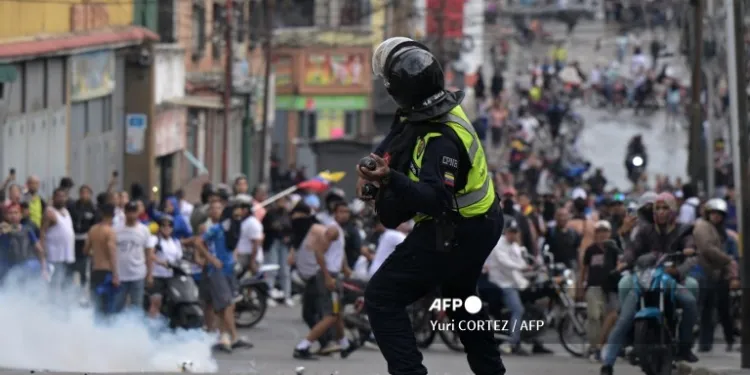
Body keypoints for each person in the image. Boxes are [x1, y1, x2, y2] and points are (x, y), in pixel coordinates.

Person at [359, 37, 506, 375]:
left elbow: (435, 199)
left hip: (459, 229)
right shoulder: (426, 109)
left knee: (382, 297)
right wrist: (372, 164)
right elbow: (395, 138)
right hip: (481, 222)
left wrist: (390, 179)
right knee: (460, 300)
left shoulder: (440, 140)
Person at [601, 193, 699, 375]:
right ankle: (608, 362)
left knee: (689, 302)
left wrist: (681, 265)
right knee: (624, 318)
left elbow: (691, 252)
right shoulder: (646, 231)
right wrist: (625, 261)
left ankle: (685, 346)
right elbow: (633, 249)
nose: (660, 213)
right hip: (644, 278)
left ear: (673, 210)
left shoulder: (684, 229)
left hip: (670, 279)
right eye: (657, 209)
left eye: (665, 208)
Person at [292, 201, 355, 358]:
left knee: (337, 312)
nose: (344, 215)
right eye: (341, 211)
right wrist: (327, 277)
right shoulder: (333, 229)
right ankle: (302, 347)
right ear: (335, 213)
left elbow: (339, 252)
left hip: (334, 274)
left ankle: (344, 345)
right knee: (331, 315)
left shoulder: (338, 229)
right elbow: (319, 252)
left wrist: (345, 268)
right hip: (329, 276)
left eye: (347, 212)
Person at [198, 198, 253, 352]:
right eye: (235, 215)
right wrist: (211, 259)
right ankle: (234, 337)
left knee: (228, 306)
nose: (238, 217)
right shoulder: (216, 229)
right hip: (217, 271)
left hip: (229, 270)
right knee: (226, 304)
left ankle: (223, 337)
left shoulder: (234, 229)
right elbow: (199, 242)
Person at [692, 198, 739, 352]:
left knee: (724, 310)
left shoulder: (726, 235)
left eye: (719, 214)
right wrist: (727, 260)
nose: (716, 216)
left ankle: (729, 339)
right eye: (713, 213)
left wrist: (733, 275)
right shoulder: (703, 228)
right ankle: (704, 344)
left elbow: (732, 256)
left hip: (721, 275)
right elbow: (707, 249)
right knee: (704, 310)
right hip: (706, 273)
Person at [577, 220, 622, 361]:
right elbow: (584, 269)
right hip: (593, 287)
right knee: (594, 316)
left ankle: (601, 347)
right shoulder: (590, 250)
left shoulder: (614, 249)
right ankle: (594, 346)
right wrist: (579, 287)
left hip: (610, 288)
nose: (602, 234)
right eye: (599, 232)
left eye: (605, 231)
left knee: (608, 317)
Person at [486, 218, 531, 355]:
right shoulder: (499, 244)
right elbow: (505, 263)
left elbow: (521, 260)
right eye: (511, 232)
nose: (513, 235)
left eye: (515, 232)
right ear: (506, 231)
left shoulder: (515, 246)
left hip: (515, 281)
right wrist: (523, 267)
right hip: (502, 283)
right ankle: (512, 341)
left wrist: (532, 267)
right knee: (518, 309)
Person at [112, 201, 154, 313]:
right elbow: (111, 252)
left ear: (137, 213)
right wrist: (114, 273)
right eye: (129, 212)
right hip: (120, 276)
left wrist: (149, 274)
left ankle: (136, 330)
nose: (131, 215)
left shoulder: (144, 230)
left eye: (133, 212)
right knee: (117, 308)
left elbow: (149, 253)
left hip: (138, 275)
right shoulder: (116, 229)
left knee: (137, 309)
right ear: (124, 213)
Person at [146, 215, 184, 319]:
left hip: (171, 277)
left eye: (169, 225)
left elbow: (179, 258)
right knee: (156, 302)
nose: (166, 228)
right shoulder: (154, 239)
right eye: (163, 225)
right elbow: (150, 255)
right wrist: (161, 263)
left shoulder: (176, 242)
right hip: (157, 275)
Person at [84, 203, 118, 314]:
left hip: (95, 270)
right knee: (107, 306)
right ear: (113, 216)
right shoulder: (110, 231)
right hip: (106, 272)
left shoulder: (93, 229)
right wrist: (115, 275)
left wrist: (95, 253)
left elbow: (85, 250)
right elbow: (112, 252)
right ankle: (105, 330)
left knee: (96, 305)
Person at [41, 187, 76, 287]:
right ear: (53, 197)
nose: (61, 199)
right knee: (55, 283)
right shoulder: (49, 213)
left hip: (67, 255)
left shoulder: (66, 211)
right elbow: (42, 232)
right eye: (58, 196)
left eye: (63, 197)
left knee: (67, 283)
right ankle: (52, 302)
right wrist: (43, 253)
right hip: (55, 256)